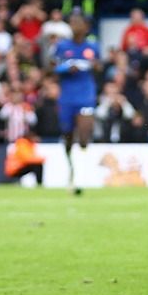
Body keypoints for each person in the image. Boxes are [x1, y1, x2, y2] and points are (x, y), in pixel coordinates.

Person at [53, 14, 98, 195]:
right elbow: (50, 67)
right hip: (67, 97)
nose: (75, 26)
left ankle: (82, 177)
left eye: (78, 22)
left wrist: (95, 65)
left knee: (85, 135)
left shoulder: (93, 47)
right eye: (72, 22)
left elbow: (99, 66)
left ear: (86, 26)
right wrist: (65, 68)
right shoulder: (61, 47)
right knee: (68, 135)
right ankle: (71, 171)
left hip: (86, 96)